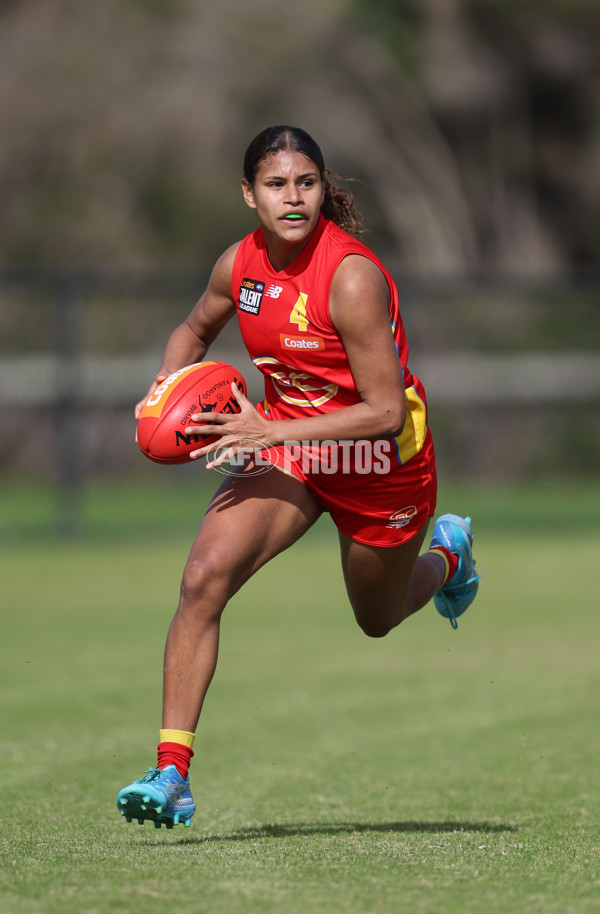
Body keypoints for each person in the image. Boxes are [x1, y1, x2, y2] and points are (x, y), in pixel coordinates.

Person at [116, 125, 481, 829]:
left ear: (322, 189)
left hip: (379, 464)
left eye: (306, 183)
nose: (293, 198)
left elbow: (379, 413)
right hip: (288, 446)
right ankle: (171, 772)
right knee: (202, 578)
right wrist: (164, 389)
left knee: (376, 620)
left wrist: (269, 431)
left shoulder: (350, 277)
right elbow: (193, 333)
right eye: (277, 185)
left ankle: (450, 554)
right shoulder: (239, 265)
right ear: (248, 193)